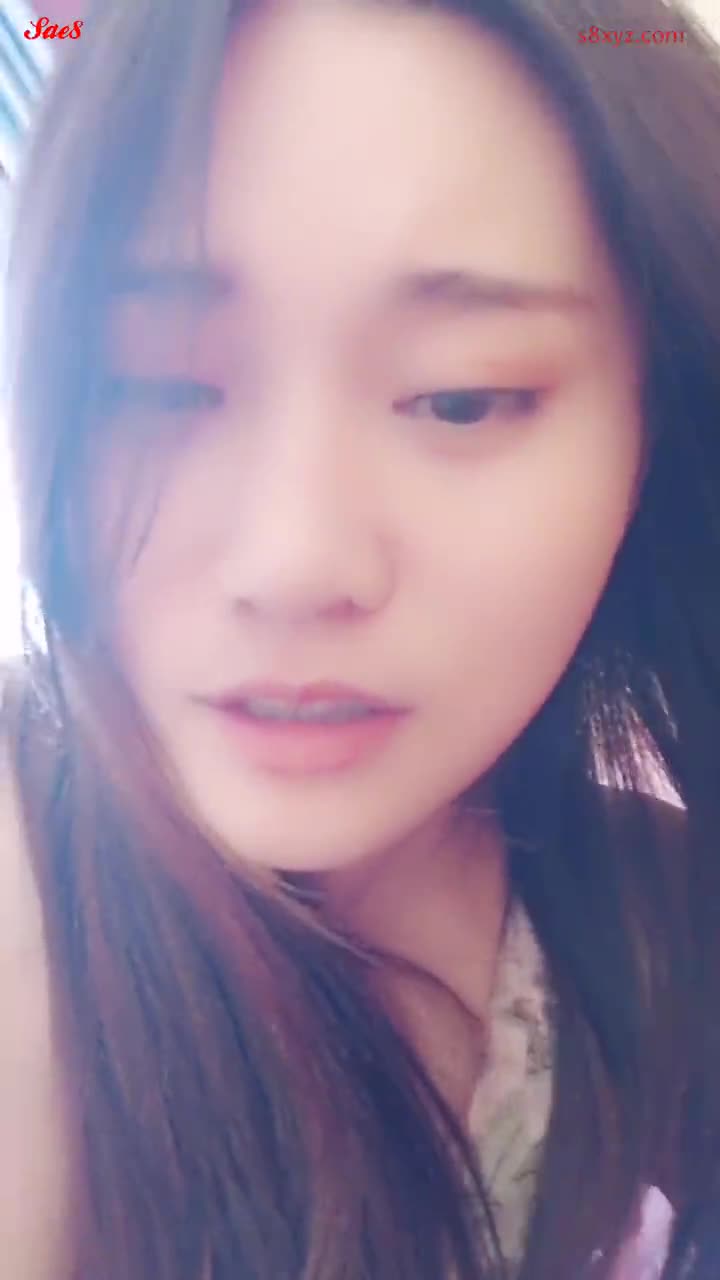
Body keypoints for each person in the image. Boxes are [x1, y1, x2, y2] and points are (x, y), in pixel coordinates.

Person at [1, 0, 718, 1275]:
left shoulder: (676, 925)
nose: (296, 561)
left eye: (462, 397)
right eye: (156, 382)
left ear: (652, 428)